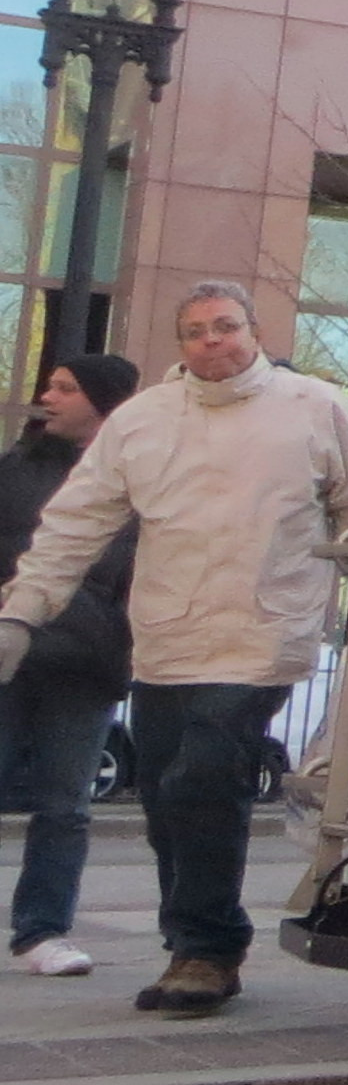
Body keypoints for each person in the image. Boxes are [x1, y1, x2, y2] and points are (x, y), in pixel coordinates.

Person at [0, 285, 348, 1016]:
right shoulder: (141, 423)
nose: (212, 342)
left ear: (254, 331)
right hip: (166, 641)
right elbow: (71, 528)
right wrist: (22, 616)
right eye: (194, 331)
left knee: (206, 776)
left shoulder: (315, 407)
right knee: (167, 799)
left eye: (225, 327)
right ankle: (192, 940)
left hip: (265, 633)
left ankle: (208, 950)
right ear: (178, 345)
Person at [0, 355, 140, 974]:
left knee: (65, 806)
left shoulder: (138, 479)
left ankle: (42, 931)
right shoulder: (17, 469)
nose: (47, 397)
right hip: (10, 651)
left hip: (86, 665)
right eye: (49, 385)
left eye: (65, 388)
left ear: (102, 403)